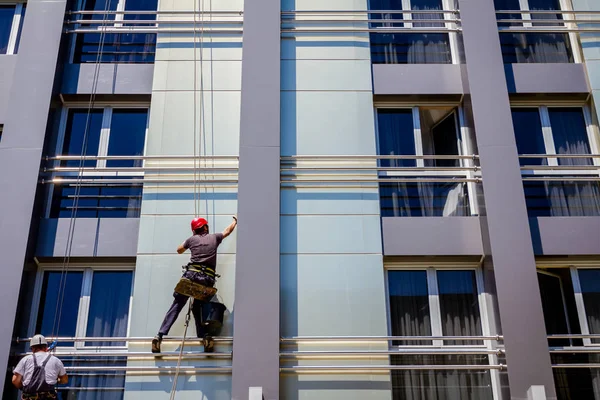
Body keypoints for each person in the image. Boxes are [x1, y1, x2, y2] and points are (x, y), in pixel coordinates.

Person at [152, 215, 237, 353]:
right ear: (205, 227)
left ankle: (160, 335)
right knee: (199, 307)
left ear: (194, 230)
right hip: (207, 280)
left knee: (178, 305)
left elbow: (179, 250)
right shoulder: (214, 238)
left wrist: (189, 241)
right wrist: (235, 221)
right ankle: (205, 337)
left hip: (191, 277)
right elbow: (227, 231)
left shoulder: (191, 240)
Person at [12, 335, 68, 400]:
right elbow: (64, 380)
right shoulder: (56, 361)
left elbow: (15, 380)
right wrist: (57, 380)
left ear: (33, 348)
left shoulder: (25, 360)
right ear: (46, 347)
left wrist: (23, 388)